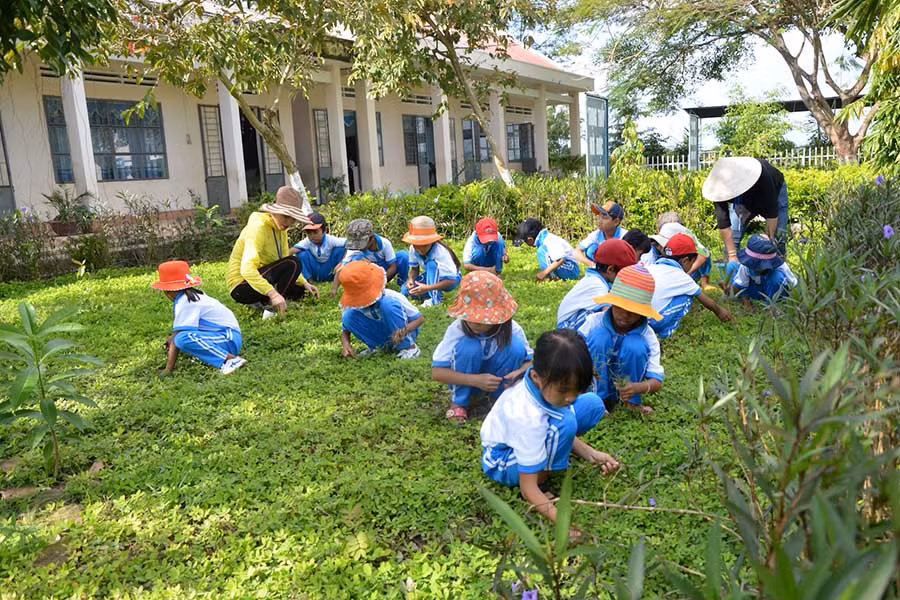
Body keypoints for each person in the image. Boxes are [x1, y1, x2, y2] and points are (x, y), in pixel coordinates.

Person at [480, 329, 619, 536]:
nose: (571, 398)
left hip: (542, 428)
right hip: (503, 459)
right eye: (564, 390)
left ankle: (552, 453)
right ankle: (543, 477)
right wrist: (564, 524)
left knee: (592, 405)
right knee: (562, 425)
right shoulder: (526, 416)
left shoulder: (549, 388)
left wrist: (592, 454)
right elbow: (528, 490)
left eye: (577, 389)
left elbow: (563, 417)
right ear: (536, 377)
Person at [432, 272, 533, 423]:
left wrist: (518, 372)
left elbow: (531, 361)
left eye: (481, 319)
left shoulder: (511, 328)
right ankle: (459, 402)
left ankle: (500, 399)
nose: (475, 323)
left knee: (516, 346)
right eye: (470, 317)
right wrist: (474, 380)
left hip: (498, 381)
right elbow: (437, 372)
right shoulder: (457, 330)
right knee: (468, 347)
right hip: (467, 380)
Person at [577, 264, 664, 414]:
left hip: (627, 387)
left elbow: (656, 381)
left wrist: (637, 387)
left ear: (642, 313)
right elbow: (572, 354)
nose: (625, 315)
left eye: (632, 311)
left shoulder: (647, 336)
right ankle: (597, 401)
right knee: (599, 337)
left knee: (635, 346)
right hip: (592, 383)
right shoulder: (593, 322)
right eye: (620, 307)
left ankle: (631, 403)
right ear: (611, 303)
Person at [226, 186, 320, 318]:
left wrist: (304, 282)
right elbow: (246, 269)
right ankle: (271, 308)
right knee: (294, 262)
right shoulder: (258, 227)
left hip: (262, 278)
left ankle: (266, 301)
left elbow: (283, 261)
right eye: (286, 216)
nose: (289, 222)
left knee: (302, 291)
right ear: (275, 211)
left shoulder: (281, 229)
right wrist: (273, 294)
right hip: (241, 286)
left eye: (293, 218)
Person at [152, 260, 246, 376]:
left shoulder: (186, 302)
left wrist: (168, 369)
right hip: (228, 337)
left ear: (167, 292)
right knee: (179, 338)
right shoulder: (192, 295)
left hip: (228, 339)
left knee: (182, 339)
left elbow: (178, 337)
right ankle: (223, 356)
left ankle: (230, 360)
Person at [702, 157, 789, 278]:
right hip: (742, 201)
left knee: (779, 238)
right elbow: (724, 222)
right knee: (734, 239)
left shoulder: (762, 176)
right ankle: (735, 280)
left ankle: (778, 277)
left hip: (775, 192)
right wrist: (732, 255)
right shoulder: (719, 187)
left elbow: (772, 215)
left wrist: (766, 249)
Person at [645, 233, 732, 339]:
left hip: (634, 316)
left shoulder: (651, 267)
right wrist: (720, 311)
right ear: (685, 260)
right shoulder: (682, 277)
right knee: (687, 296)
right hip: (650, 322)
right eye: (693, 261)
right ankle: (666, 333)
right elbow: (704, 299)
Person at [338, 261, 424, 359]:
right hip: (384, 335)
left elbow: (420, 319)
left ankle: (409, 347)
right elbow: (345, 329)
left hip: (404, 331)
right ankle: (378, 347)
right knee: (348, 315)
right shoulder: (353, 304)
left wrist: (404, 331)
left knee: (387, 305)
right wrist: (346, 344)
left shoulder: (391, 297)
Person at [557, 239, 636, 331]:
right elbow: (607, 313)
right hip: (568, 326)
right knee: (605, 321)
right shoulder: (597, 285)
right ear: (610, 269)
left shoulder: (597, 278)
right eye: (624, 274)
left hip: (570, 321)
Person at [336, 219, 409, 294]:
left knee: (403, 256)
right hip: (368, 271)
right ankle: (362, 287)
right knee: (355, 259)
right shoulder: (355, 248)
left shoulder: (385, 244)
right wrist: (334, 289)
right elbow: (342, 267)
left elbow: (393, 266)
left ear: (371, 238)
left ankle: (403, 283)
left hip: (384, 270)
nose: (359, 247)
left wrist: (381, 281)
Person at [402, 215, 461, 307]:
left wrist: (428, 288)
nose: (420, 249)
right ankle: (430, 292)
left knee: (431, 264)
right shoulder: (412, 249)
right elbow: (414, 269)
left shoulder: (440, 252)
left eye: (424, 245)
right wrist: (411, 279)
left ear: (431, 242)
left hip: (448, 279)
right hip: (432, 276)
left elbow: (451, 280)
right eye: (416, 245)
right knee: (405, 291)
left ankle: (436, 300)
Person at [725, 234, 798, 305]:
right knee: (731, 266)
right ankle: (737, 297)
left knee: (777, 276)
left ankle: (772, 303)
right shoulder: (746, 266)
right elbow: (742, 285)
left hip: (773, 291)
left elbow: (794, 285)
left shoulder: (781, 266)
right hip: (754, 290)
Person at [650, 220, 713, 288]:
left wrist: (686, 275)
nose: (660, 248)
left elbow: (704, 254)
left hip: (685, 272)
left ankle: (704, 283)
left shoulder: (688, 238)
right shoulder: (653, 250)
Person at [514, 218, 580, 281]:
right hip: (568, 267)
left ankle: (550, 277)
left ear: (530, 239)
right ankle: (552, 276)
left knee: (541, 251)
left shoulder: (548, 240)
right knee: (542, 250)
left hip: (571, 268)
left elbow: (561, 259)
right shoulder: (545, 239)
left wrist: (544, 273)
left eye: (525, 242)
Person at [290, 212, 346, 283]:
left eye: (315, 232)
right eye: (309, 233)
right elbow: (292, 250)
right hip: (316, 271)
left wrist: (343, 262)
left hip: (331, 270)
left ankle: (339, 278)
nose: (312, 236)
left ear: (324, 231)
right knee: (301, 254)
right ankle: (309, 281)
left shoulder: (331, 240)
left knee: (341, 250)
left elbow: (350, 244)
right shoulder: (307, 242)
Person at [573, 201, 628, 271]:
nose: (599, 220)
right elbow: (576, 251)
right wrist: (592, 265)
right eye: (599, 216)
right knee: (592, 249)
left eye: (604, 217)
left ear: (616, 222)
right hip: (599, 269)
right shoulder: (596, 235)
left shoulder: (624, 237)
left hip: (617, 272)